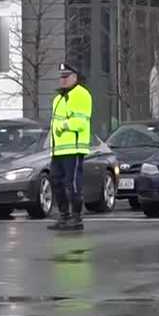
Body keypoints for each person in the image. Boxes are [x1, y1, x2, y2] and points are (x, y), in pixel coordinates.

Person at [49, 62, 93, 232]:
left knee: (72, 184)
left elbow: (81, 122)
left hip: (74, 149)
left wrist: (63, 126)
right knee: (56, 182)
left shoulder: (81, 95)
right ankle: (64, 216)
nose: (63, 80)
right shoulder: (59, 98)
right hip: (58, 150)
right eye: (61, 77)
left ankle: (76, 218)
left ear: (75, 77)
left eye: (66, 77)